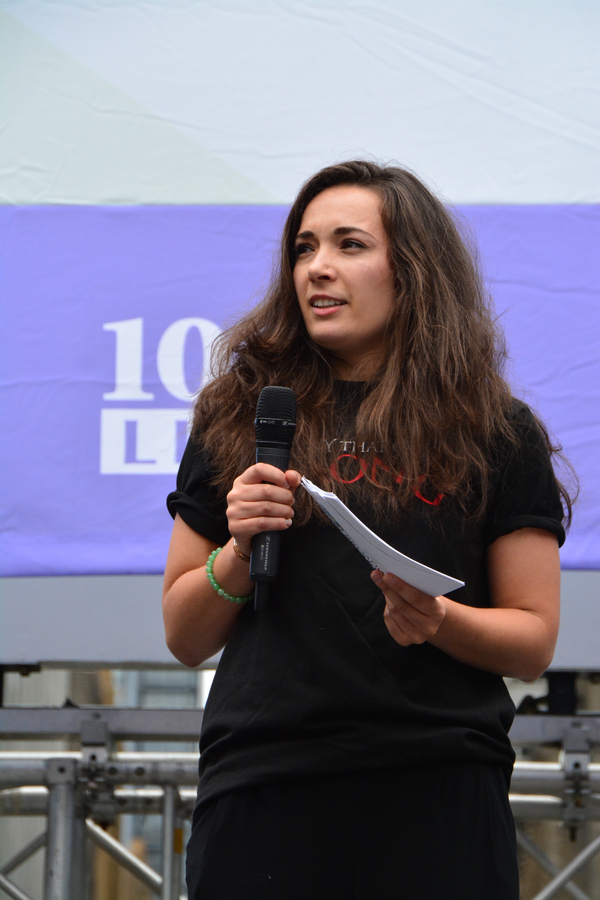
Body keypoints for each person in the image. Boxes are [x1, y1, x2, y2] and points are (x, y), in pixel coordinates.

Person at [163, 160, 570, 899]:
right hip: (265, 787)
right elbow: (185, 636)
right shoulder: (241, 413)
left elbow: (534, 639)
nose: (318, 268)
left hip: (437, 789)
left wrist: (440, 620)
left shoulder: (494, 429)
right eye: (304, 248)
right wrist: (238, 549)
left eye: (349, 245)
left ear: (411, 269)